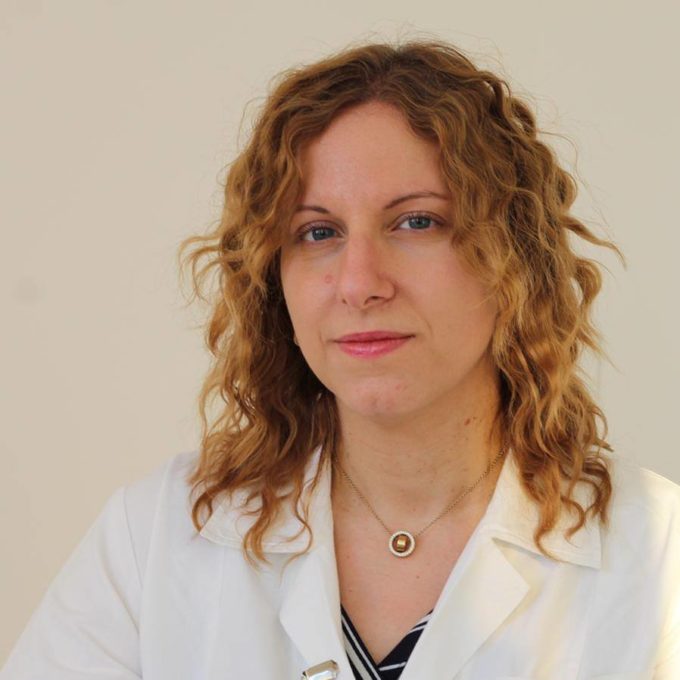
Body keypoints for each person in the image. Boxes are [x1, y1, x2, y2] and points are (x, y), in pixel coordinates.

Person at [2, 38, 679, 680]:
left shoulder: (658, 555)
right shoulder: (156, 537)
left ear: (514, 258)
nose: (359, 283)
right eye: (318, 232)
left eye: (417, 221)